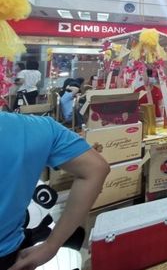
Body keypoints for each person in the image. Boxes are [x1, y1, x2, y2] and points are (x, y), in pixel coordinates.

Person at [0, 113, 109, 269]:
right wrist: (51, 246)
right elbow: (96, 168)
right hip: (11, 258)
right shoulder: (35, 128)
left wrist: (50, 246)